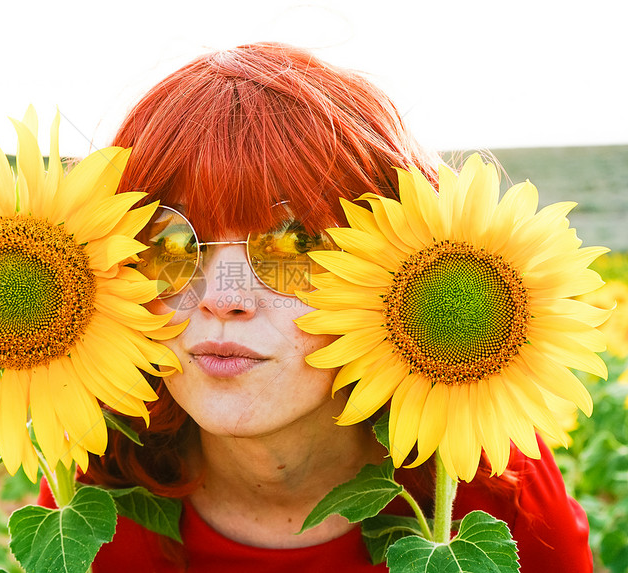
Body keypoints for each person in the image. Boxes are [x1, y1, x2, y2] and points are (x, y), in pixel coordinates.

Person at [38, 42, 593, 571]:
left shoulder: (489, 481)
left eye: (291, 246)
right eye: (172, 242)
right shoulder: (94, 480)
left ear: (397, 273)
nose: (224, 299)